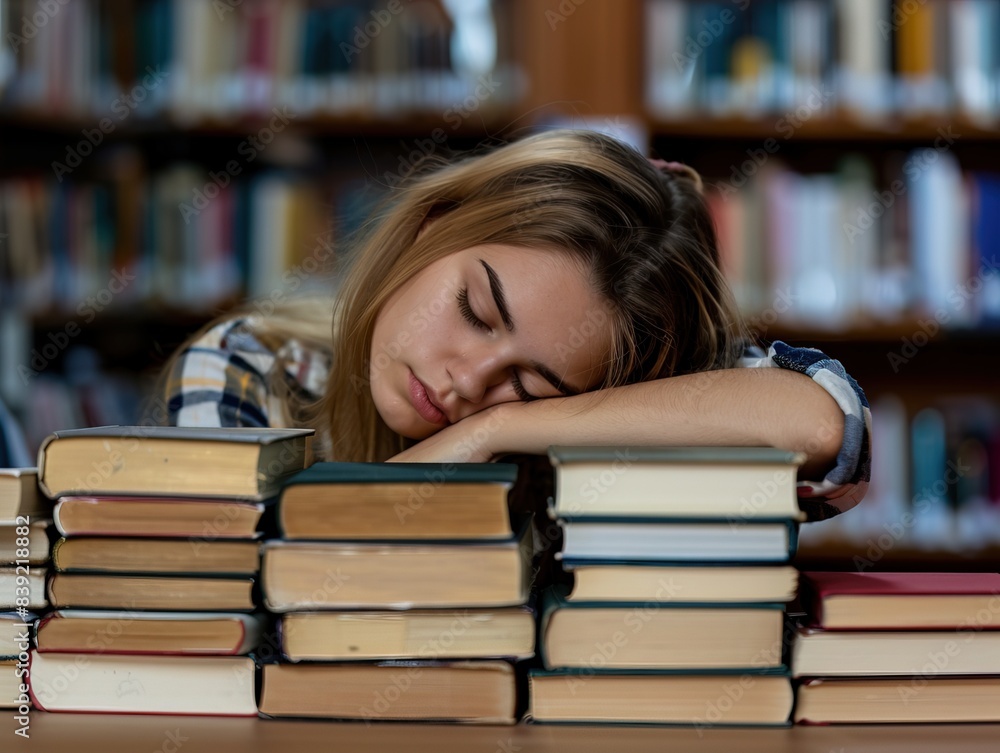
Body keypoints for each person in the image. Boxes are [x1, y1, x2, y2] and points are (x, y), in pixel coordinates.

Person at [162, 129, 870, 522]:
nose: (468, 380)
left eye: (533, 382)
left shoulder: (574, 433)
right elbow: (229, 598)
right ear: (432, 227)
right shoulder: (252, 364)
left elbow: (820, 424)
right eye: (474, 309)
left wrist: (490, 433)